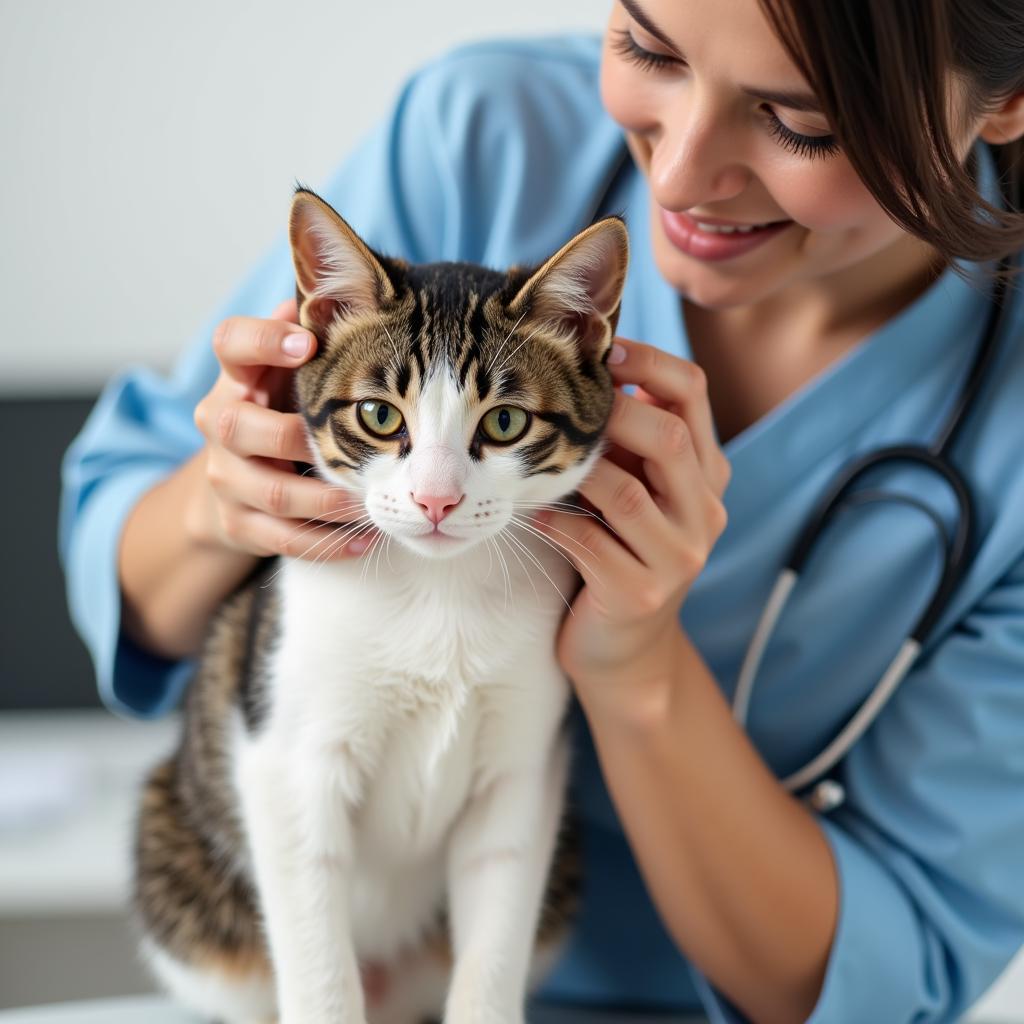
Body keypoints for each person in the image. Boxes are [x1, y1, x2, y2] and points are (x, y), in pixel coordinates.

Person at [60, 1, 1024, 1021]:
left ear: (1006, 97)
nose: (684, 176)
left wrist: (638, 668)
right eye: (647, 49)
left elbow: (889, 972)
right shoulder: (483, 129)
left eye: (803, 124)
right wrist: (226, 504)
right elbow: (118, 535)